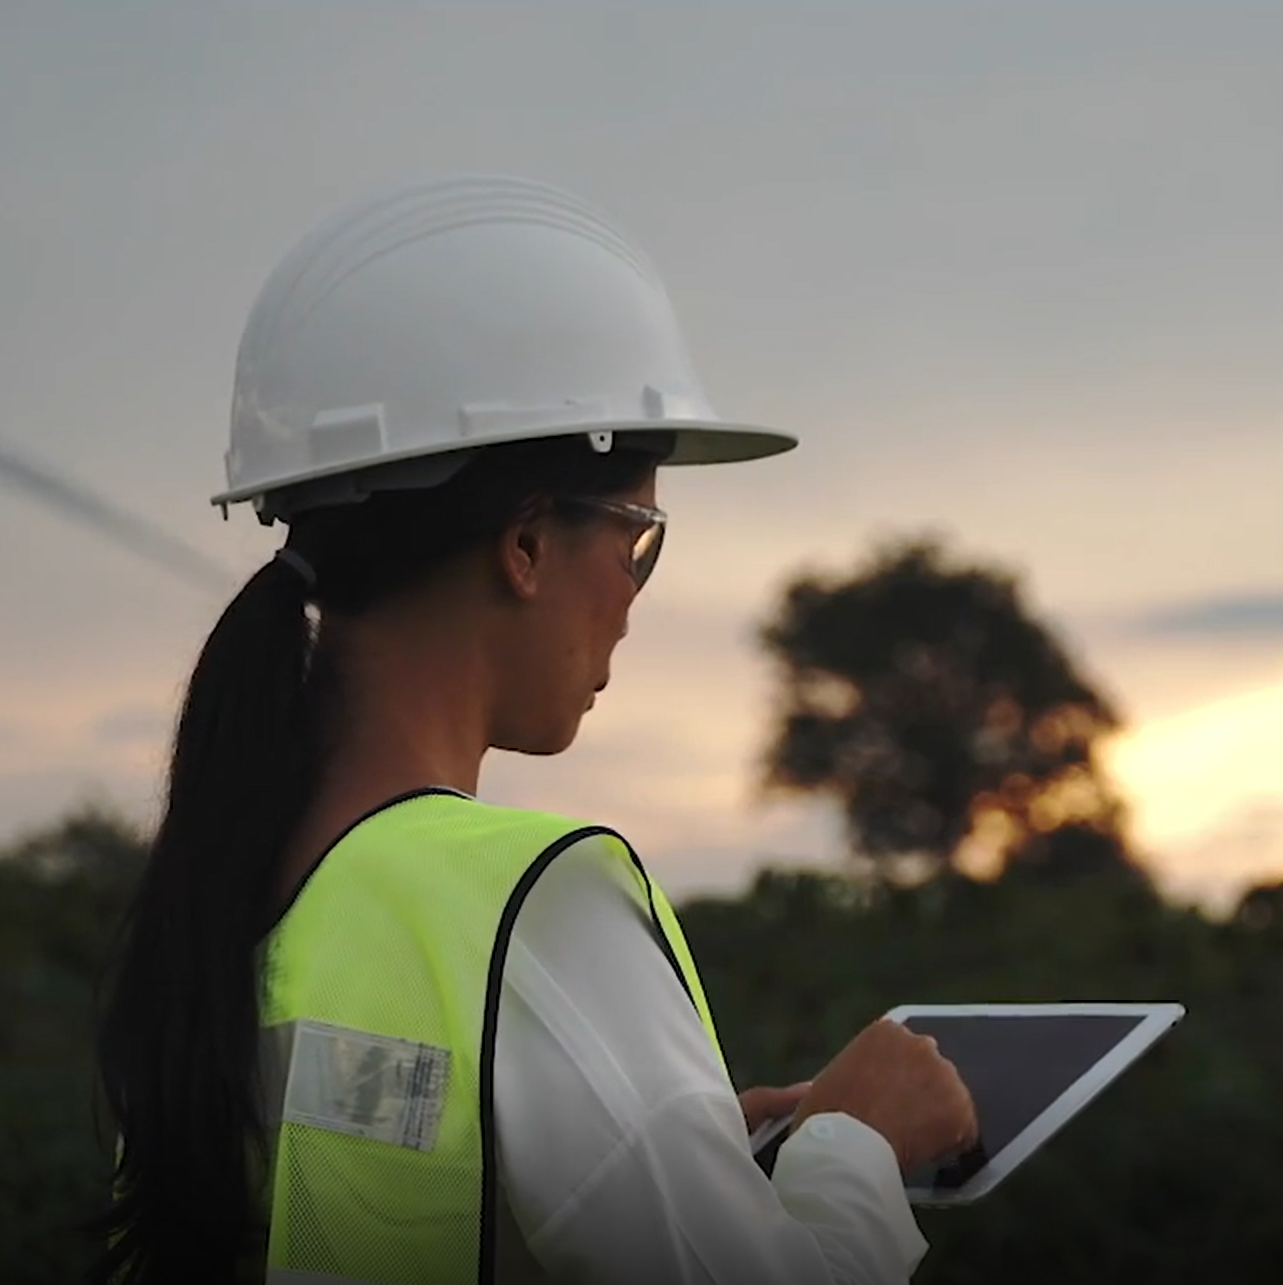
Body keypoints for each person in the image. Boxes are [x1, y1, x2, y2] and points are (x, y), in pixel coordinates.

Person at [94, 175, 977, 1285]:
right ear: (523, 544)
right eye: (639, 535)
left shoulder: (229, 887)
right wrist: (858, 1146)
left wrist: (680, 1153)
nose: (636, 590)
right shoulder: (533, 905)